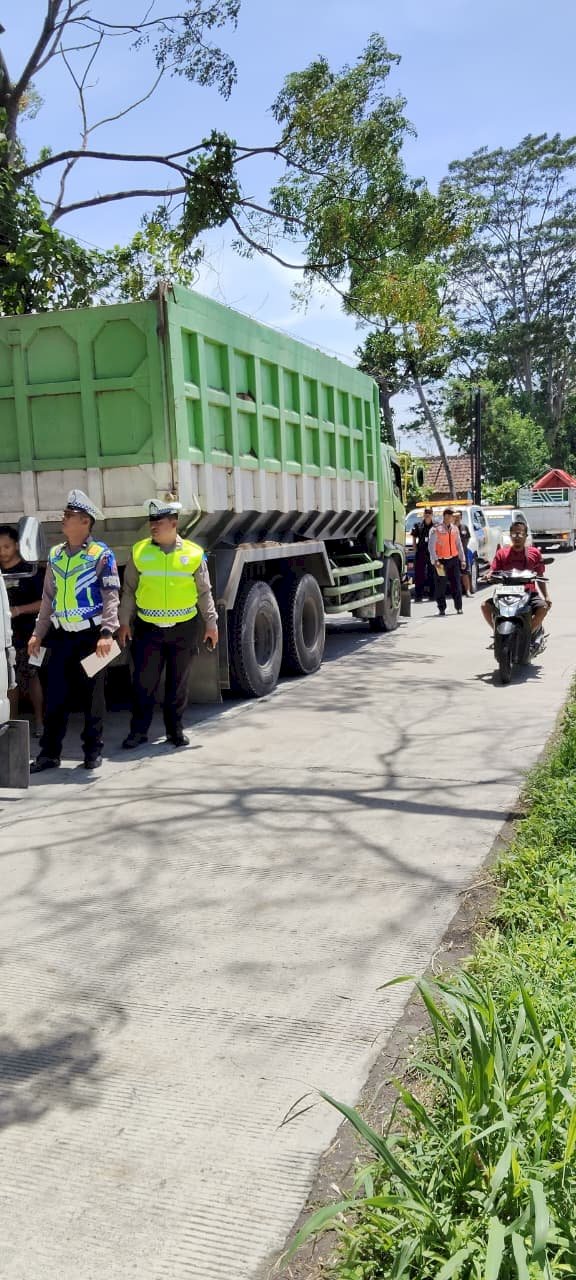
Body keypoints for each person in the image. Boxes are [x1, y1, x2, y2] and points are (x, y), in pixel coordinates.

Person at [28, 490, 120, 774]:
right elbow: (48, 599)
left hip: (92, 638)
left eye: (68, 516)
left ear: (84, 521)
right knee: (56, 694)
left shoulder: (101, 554)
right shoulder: (55, 555)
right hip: (62, 635)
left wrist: (107, 633)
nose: (63, 520)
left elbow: (111, 595)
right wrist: (38, 633)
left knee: (93, 697)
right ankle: (49, 754)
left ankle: (93, 751)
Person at [118, 500, 218, 750]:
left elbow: (204, 592)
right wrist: (124, 622)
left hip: (183, 628)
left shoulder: (193, 553)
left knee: (178, 683)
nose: (153, 526)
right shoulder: (139, 551)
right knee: (143, 682)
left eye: (159, 522)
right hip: (147, 627)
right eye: (151, 522)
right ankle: (138, 732)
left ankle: (175, 731)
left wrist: (211, 624)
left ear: (174, 524)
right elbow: (128, 590)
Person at [0, 524, 45, 737]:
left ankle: (39, 721)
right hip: (5, 636)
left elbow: (46, 603)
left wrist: (18, 610)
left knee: (32, 677)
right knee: (9, 680)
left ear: (17, 545)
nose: (2, 552)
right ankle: (11, 725)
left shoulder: (32, 570)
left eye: (6, 546)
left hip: (31, 635)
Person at [481, 517, 550, 637]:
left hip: (529, 592)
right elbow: (493, 569)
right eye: (514, 533)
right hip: (505, 592)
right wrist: (489, 575)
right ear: (510, 535)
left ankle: (528, 634)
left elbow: (540, 575)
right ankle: (497, 634)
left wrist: (546, 596)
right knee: (485, 606)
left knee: (543, 607)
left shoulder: (534, 553)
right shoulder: (502, 553)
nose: (517, 536)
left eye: (520, 533)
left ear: (525, 535)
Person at [428, 508, 467, 616]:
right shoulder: (436, 529)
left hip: (453, 560)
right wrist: (435, 560)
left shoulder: (455, 529)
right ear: (445, 516)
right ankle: (442, 608)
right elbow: (431, 546)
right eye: (449, 516)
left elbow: (459, 545)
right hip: (441, 561)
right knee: (440, 585)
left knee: (456, 584)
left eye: (452, 516)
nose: (451, 518)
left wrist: (462, 559)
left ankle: (459, 607)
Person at [412, 508, 435, 602]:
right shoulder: (418, 525)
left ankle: (433, 595)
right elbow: (414, 536)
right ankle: (418, 596)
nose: (428, 515)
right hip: (421, 552)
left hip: (432, 553)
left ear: (432, 514)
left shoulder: (435, 526)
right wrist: (414, 548)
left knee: (432, 574)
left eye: (429, 513)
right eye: (426, 513)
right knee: (419, 575)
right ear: (424, 514)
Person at [453, 510, 473, 596]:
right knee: (454, 574)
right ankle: (457, 591)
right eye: (455, 517)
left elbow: (468, 538)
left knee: (465, 573)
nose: (457, 518)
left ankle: (467, 591)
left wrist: (463, 548)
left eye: (458, 517)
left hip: (463, 554)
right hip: (453, 554)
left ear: (461, 517)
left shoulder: (464, 527)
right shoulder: (451, 528)